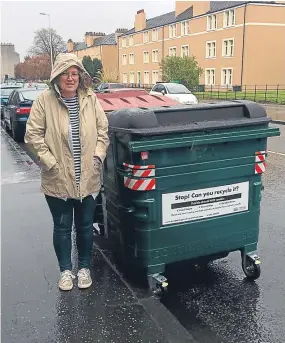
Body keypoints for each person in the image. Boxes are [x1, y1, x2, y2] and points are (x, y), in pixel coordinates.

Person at [25, 53, 109, 291]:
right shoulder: (44, 101)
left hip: (88, 175)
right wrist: (50, 163)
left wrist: (97, 157)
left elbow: (103, 130)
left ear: (80, 76)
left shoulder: (90, 99)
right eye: (65, 73)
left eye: (74, 74)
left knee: (84, 226)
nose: (70, 78)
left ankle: (83, 268)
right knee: (62, 226)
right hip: (57, 176)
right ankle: (65, 271)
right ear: (57, 76)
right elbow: (32, 136)